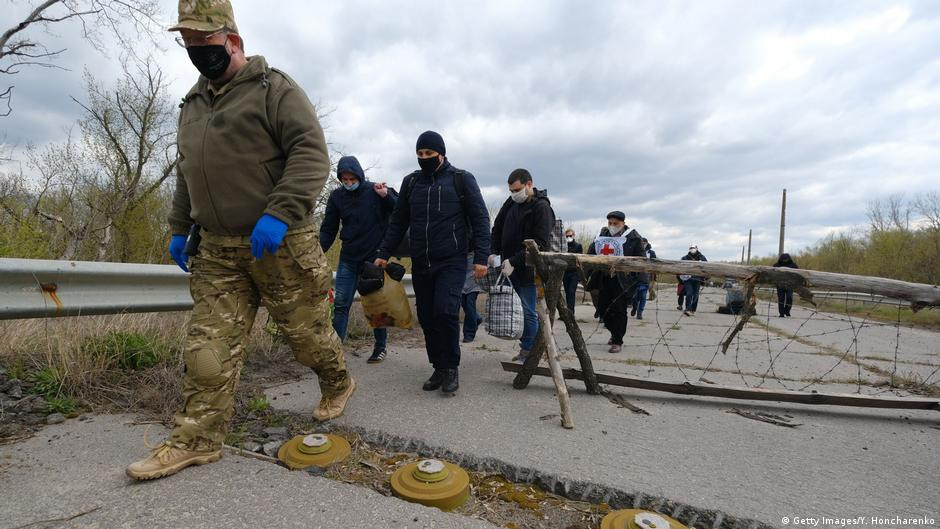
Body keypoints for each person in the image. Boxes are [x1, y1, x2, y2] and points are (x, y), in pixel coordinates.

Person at [129, 0, 353, 481]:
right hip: (218, 251)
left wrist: (279, 214)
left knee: (307, 340)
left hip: (281, 245)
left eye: (203, 42)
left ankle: (337, 380)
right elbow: (188, 173)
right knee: (206, 352)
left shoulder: (275, 90)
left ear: (233, 40)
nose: (195, 51)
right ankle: (196, 440)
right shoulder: (191, 105)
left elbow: (311, 155)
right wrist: (179, 225)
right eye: (187, 43)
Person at [374, 131, 490, 395]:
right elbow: (398, 220)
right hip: (421, 261)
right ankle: (438, 366)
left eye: (429, 154)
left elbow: (481, 219)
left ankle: (451, 368)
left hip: (451, 260)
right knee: (426, 317)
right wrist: (384, 251)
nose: (424, 158)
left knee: (445, 312)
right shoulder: (411, 182)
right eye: (420, 154)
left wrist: (481, 257)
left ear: (441, 153)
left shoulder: (461, 179)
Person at [320, 155, 398, 363]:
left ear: (359, 176)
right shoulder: (337, 197)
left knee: (376, 306)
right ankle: (336, 352)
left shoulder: (375, 190)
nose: (348, 183)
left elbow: (400, 211)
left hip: (372, 260)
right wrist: (318, 251)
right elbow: (329, 228)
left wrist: (386, 196)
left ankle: (380, 347)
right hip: (348, 258)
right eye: (344, 180)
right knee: (341, 304)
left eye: (352, 179)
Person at [491, 168, 555, 362]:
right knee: (514, 308)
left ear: (529, 184)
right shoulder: (511, 203)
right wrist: (493, 251)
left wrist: (515, 260)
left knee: (527, 310)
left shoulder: (541, 208)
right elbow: (497, 227)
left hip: (528, 269)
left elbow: (540, 243)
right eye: (511, 190)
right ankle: (527, 346)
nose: (514, 194)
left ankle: (529, 350)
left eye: (517, 189)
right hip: (507, 266)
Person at [587, 211, 645, 353]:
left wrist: (642, 280)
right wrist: (585, 272)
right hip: (603, 277)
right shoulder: (601, 236)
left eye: (616, 224)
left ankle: (618, 340)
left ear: (623, 224)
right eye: (610, 223)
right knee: (602, 308)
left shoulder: (633, 238)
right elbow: (590, 253)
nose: (612, 226)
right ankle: (613, 331)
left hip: (623, 280)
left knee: (619, 310)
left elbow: (642, 260)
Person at [630, 238, 656, 320]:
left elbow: (655, 265)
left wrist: (653, 279)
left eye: (644, 243)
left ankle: (640, 312)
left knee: (643, 298)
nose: (643, 244)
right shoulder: (635, 251)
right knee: (634, 297)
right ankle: (634, 307)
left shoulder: (651, 253)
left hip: (646, 279)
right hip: (635, 279)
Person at [461, 252, 484, 342]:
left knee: (470, 303)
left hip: (475, 272)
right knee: (463, 302)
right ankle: (477, 318)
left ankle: (469, 334)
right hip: (460, 269)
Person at [680, 245, 708, 315]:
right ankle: (687, 309)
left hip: (697, 279)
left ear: (697, 249)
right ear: (689, 250)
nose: (692, 249)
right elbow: (680, 268)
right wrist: (681, 280)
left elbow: (706, 264)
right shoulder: (685, 258)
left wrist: (700, 255)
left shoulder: (701, 257)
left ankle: (693, 309)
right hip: (688, 279)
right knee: (689, 293)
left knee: (696, 295)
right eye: (691, 248)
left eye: (694, 248)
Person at [562, 228, 584, 314]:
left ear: (574, 236)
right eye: (567, 236)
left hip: (574, 272)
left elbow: (580, 259)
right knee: (567, 292)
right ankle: (568, 311)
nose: (568, 237)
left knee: (571, 291)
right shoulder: (563, 246)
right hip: (565, 272)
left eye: (570, 236)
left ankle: (571, 312)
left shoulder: (578, 246)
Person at [773, 253, 799, 317]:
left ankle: (787, 311)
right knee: (781, 299)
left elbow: (798, 273)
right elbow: (772, 274)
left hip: (790, 285)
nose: (785, 260)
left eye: (786, 259)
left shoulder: (793, 265)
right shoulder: (776, 265)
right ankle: (781, 313)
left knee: (789, 298)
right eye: (783, 259)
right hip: (780, 285)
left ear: (789, 259)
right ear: (781, 259)